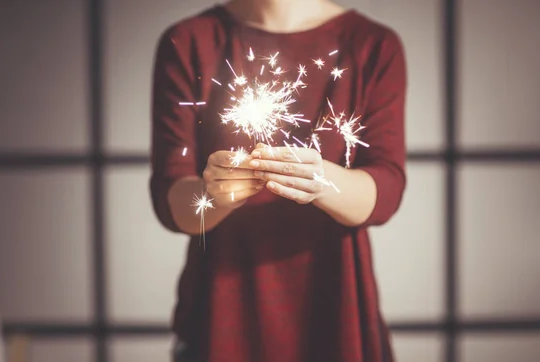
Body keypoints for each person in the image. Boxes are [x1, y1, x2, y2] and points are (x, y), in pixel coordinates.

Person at [150, 0, 407, 360]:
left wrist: (321, 181)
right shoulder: (188, 42)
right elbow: (171, 199)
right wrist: (215, 194)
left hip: (335, 308)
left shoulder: (372, 45)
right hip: (220, 310)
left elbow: (387, 190)